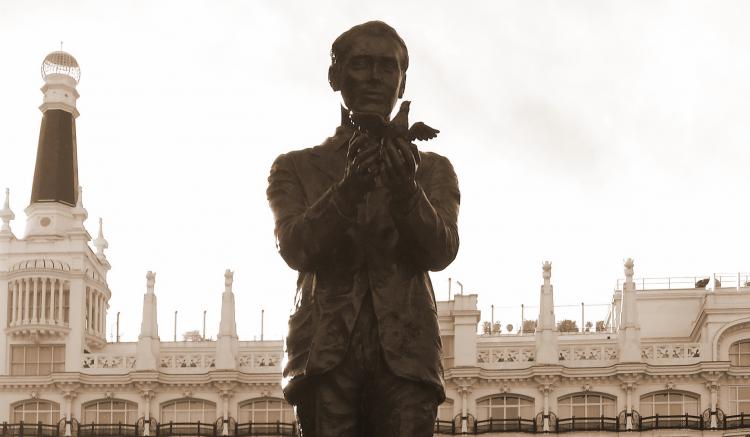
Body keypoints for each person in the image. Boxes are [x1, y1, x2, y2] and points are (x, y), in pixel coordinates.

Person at [266, 20, 460, 437]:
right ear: (335, 76)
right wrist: (349, 188)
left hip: (407, 359)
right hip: (323, 356)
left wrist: (407, 193)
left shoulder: (431, 169)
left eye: (387, 67)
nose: (375, 77)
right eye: (361, 64)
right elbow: (294, 247)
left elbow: (442, 250)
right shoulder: (296, 167)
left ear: (402, 81)